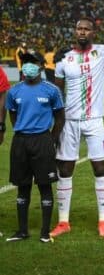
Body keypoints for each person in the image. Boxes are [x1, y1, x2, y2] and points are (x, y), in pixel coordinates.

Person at [50, 18, 104, 238]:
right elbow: (57, 94)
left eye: (87, 29)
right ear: (74, 31)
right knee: (65, 169)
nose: (82, 31)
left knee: (100, 168)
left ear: (93, 33)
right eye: (79, 28)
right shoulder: (63, 60)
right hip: (70, 120)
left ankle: (103, 220)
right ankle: (63, 222)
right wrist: (56, 123)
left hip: (95, 120)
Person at [5, 52, 64, 242]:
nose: (28, 65)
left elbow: (60, 118)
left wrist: (51, 139)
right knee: (23, 186)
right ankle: (22, 231)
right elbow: (13, 115)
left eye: (33, 62)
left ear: (40, 65)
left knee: (45, 186)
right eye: (25, 62)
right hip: (21, 141)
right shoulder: (14, 91)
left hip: (43, 141)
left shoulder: (52, 90)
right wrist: (22, 130)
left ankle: (45, 233)